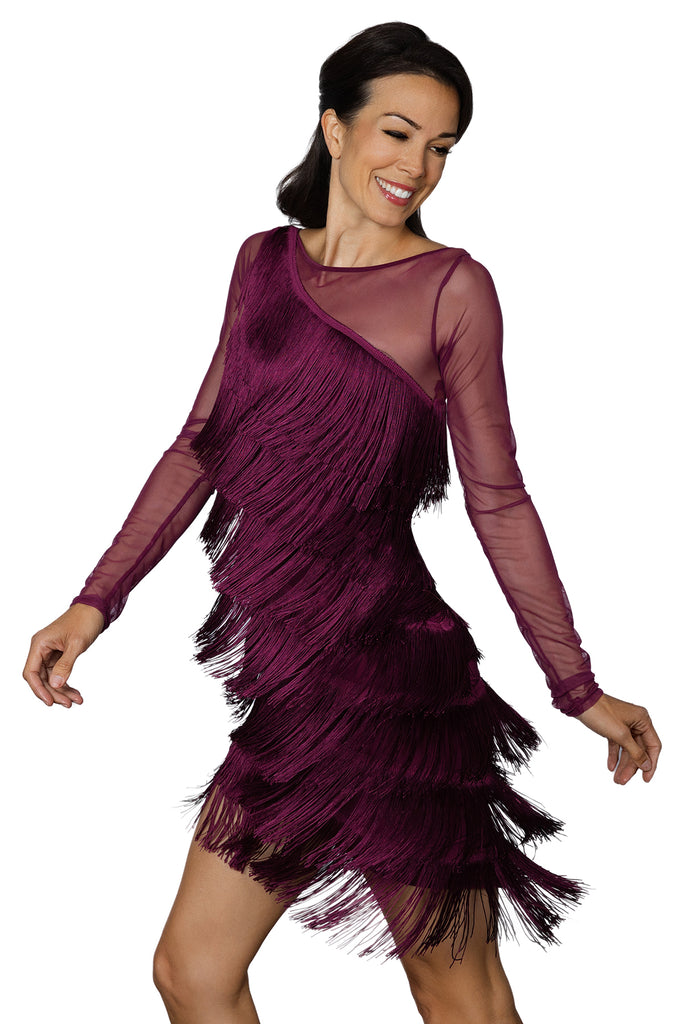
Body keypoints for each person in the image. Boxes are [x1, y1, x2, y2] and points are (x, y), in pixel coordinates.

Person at [23, 21, 661, 1024]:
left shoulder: (451, 288)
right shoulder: (259, 264)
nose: (416, 165)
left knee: (455, 990)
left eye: (440, 146)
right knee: (192, 972)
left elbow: (496, 497)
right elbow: (200, 444)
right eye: (397, 133)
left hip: (392, 681)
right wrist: (92, 602)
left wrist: (574, 684)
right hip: (293, 690)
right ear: (333, 127)